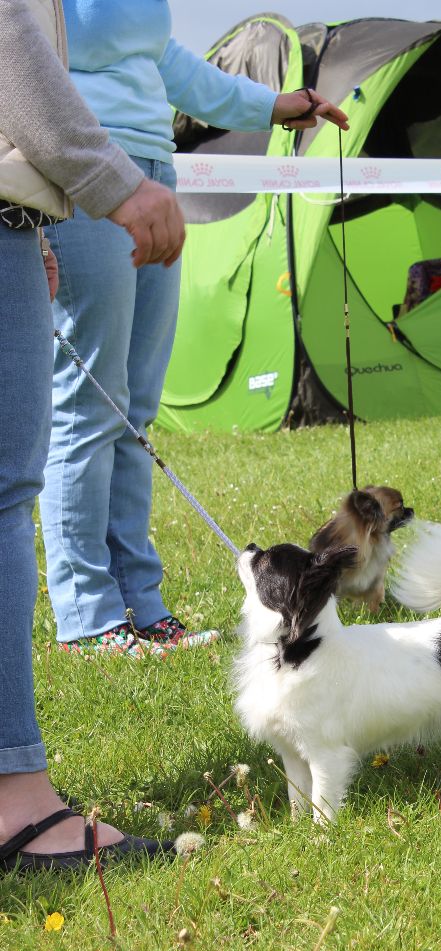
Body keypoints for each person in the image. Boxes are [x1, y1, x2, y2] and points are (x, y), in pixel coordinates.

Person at [40, 0, 350, 656]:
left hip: (155, 171)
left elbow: (170, 64)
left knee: (134, 411)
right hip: (85, 172)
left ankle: (142, 607)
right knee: (90, 410)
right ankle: (88, 619)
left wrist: (275, 106)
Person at [0, 0, 188, 870]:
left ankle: (131, 603)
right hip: (52, 176)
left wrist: (30, 216)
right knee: (22, 473)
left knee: (117, 413)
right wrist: (113, 182)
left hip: (24, 199)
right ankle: (15, 801)